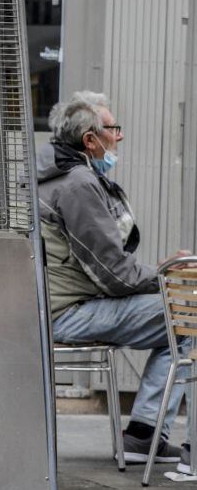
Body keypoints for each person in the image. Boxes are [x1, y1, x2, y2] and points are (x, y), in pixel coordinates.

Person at [40, 92, 192, 464]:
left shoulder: (54, 173)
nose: (119, 136)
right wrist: (169, 276)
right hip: (69, 312)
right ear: (90, 140)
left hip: (58, 304)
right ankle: (144, 435)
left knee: (180, 315)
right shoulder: (78, 184)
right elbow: (115, 275)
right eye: (113, 128)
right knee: (187, 315)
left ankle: (144, 433)